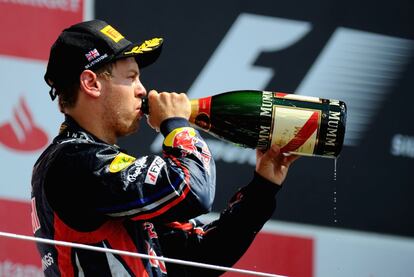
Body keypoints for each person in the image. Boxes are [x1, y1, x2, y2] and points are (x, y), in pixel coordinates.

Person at [31, 19, 298, 277]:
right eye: (132, 77)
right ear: (91, 83)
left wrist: (263, 188)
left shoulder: (95, 169)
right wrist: (176, 124)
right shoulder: (73, 163)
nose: (143, 91)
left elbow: (202, 255)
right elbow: (193, 190)